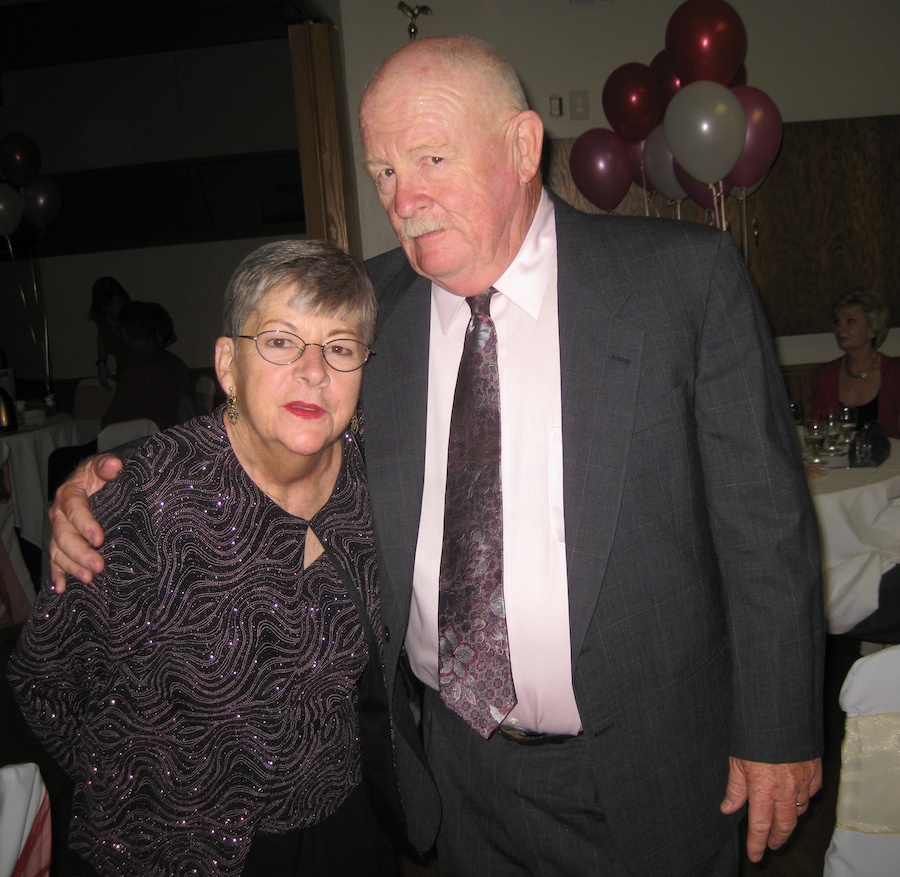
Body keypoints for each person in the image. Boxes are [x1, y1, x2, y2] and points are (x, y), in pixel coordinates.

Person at [48, 37, 823, 877]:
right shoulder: (367, 308)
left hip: (652, 757)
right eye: (382, 170)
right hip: (454, 772)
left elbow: (765, 527)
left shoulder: (682, 281)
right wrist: (112, 492)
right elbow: (269, 436)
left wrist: (779, 728)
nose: (403, 197)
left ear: (524, 146)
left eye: (431, 157)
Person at [9, 241, 397, 877]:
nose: (313, 371)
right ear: (227, 364)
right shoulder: (147, 499)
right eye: (279, 341)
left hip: (345, 830)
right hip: (182, 850)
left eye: (340, 347)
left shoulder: (379, 481)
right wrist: (149, 793)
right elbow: (45, 679)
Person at [811, 289, 900, 438]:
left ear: (872, 329)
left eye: (850, 321)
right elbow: (817, 429)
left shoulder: (893, 374)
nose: (840, 328)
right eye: (837, 322)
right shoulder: (825, 375)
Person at [100, 300, 195, 431]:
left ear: (124, 333)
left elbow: (112, 425)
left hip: (146, 445)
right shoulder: (176, 363)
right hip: (176, 441)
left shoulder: (138, 369)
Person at [88, 276, 131, 387]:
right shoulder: (101, 318)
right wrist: (102, 363)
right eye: (109, 306)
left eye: (118, 303)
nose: (115, 309)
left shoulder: (134, 313)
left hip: (141, 368)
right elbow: (102, 336)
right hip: (123, 369)